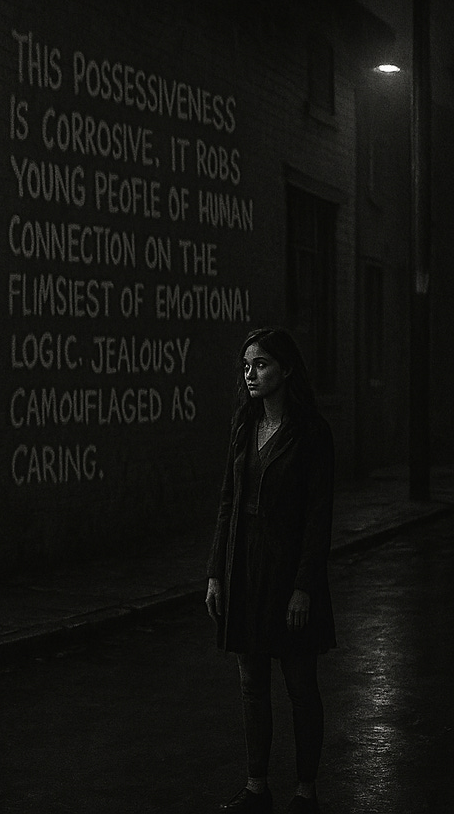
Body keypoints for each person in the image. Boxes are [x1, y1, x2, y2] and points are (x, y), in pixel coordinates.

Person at [206, 327, 336, 814]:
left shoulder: (311, 432)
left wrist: (304, 587)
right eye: (246, 366)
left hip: (289, 575)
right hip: (245, 570)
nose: (251, 373)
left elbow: (318, 518)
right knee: (251, 682)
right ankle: (257, 786)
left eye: (260, 364)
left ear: (285, 369)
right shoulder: (244, 424)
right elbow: (227, 503)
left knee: (301, 684)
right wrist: (216, 573)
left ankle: (306, 790)